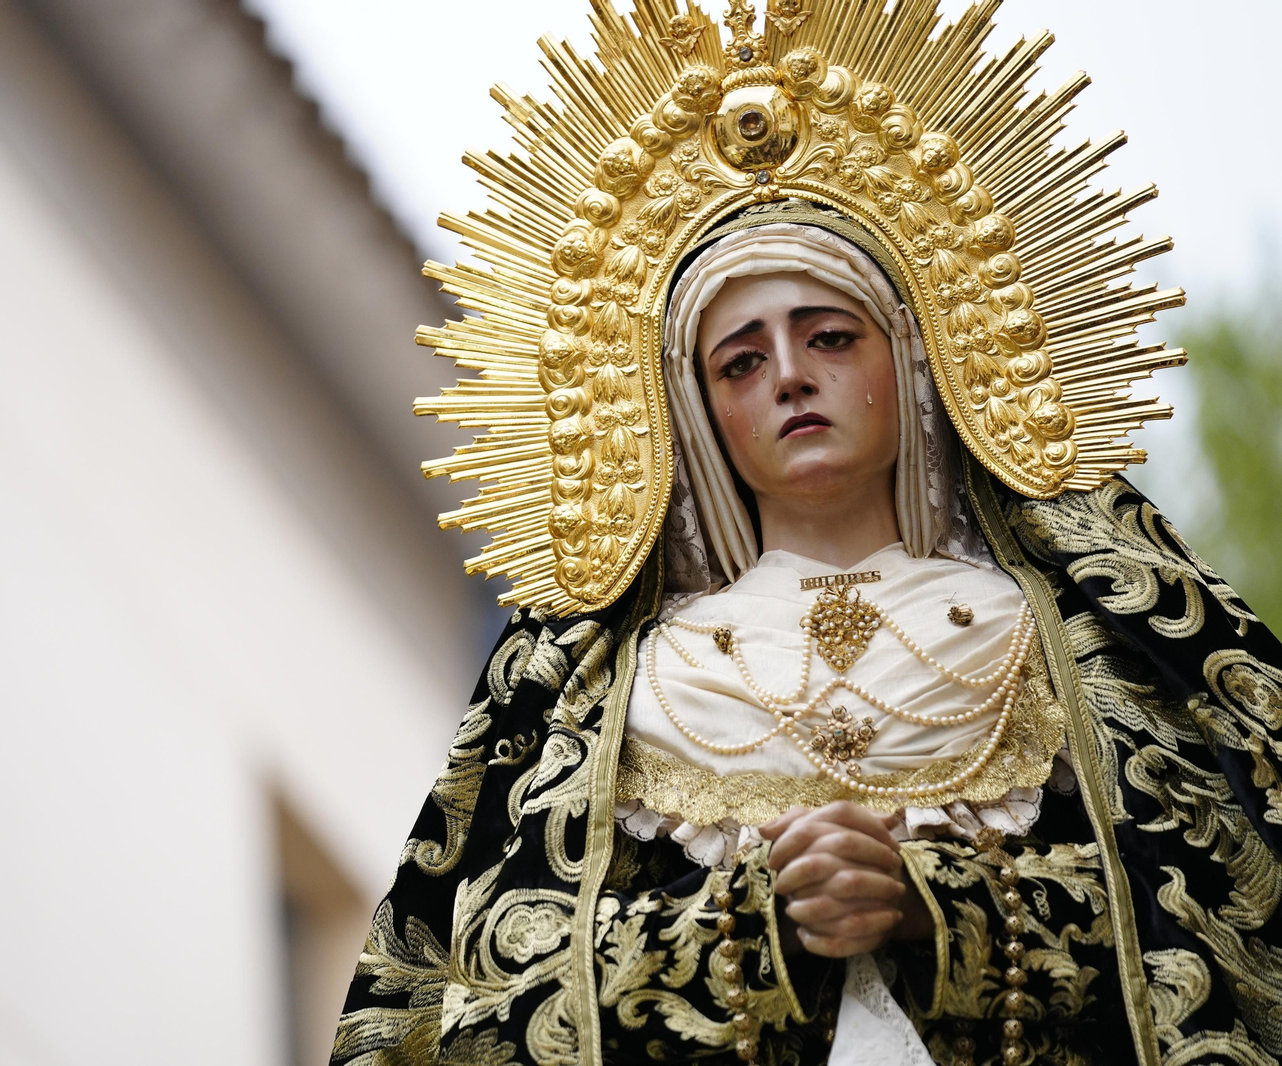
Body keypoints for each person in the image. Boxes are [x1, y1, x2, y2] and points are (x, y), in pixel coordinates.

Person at [332, 3, 1282, 1065]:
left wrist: (944, 908)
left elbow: (1218, 914)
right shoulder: (608, 684)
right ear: (693, 412)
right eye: (740, 361)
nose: (789, 375)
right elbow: (480, 1001)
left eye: (829, 335)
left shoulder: (1068, 632)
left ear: (911, 367)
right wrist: (753, 927)